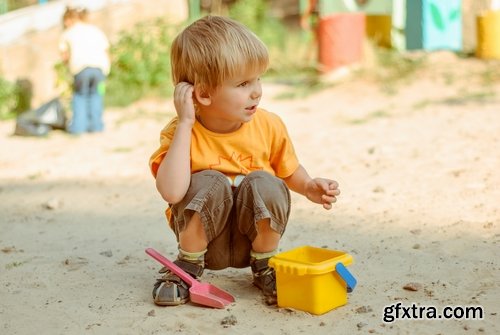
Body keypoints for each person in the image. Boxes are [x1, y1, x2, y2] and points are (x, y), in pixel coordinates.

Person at [149, 15, 340, 306]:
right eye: (243, 83)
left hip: (251, 241)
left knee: (265, 181)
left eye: (258, 79)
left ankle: (266, 265)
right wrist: (186, 122)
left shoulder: (269, 125)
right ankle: (186, 267)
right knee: (210, 180)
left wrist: (309, 185)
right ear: (203, 93)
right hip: (204, 244)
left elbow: (289, 170)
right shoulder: (180, 133)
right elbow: (172, 193)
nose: (257, 91)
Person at [59, 7, 110, 134]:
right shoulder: (95, 30)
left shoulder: (68, 33)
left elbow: (64, 55)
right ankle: (97, 126)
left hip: (81, 68)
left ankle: (78, 128)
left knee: (80, 96)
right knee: (96, 95)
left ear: (68, 19)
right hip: (100, 69)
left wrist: (66, 66)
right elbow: (106, 50)